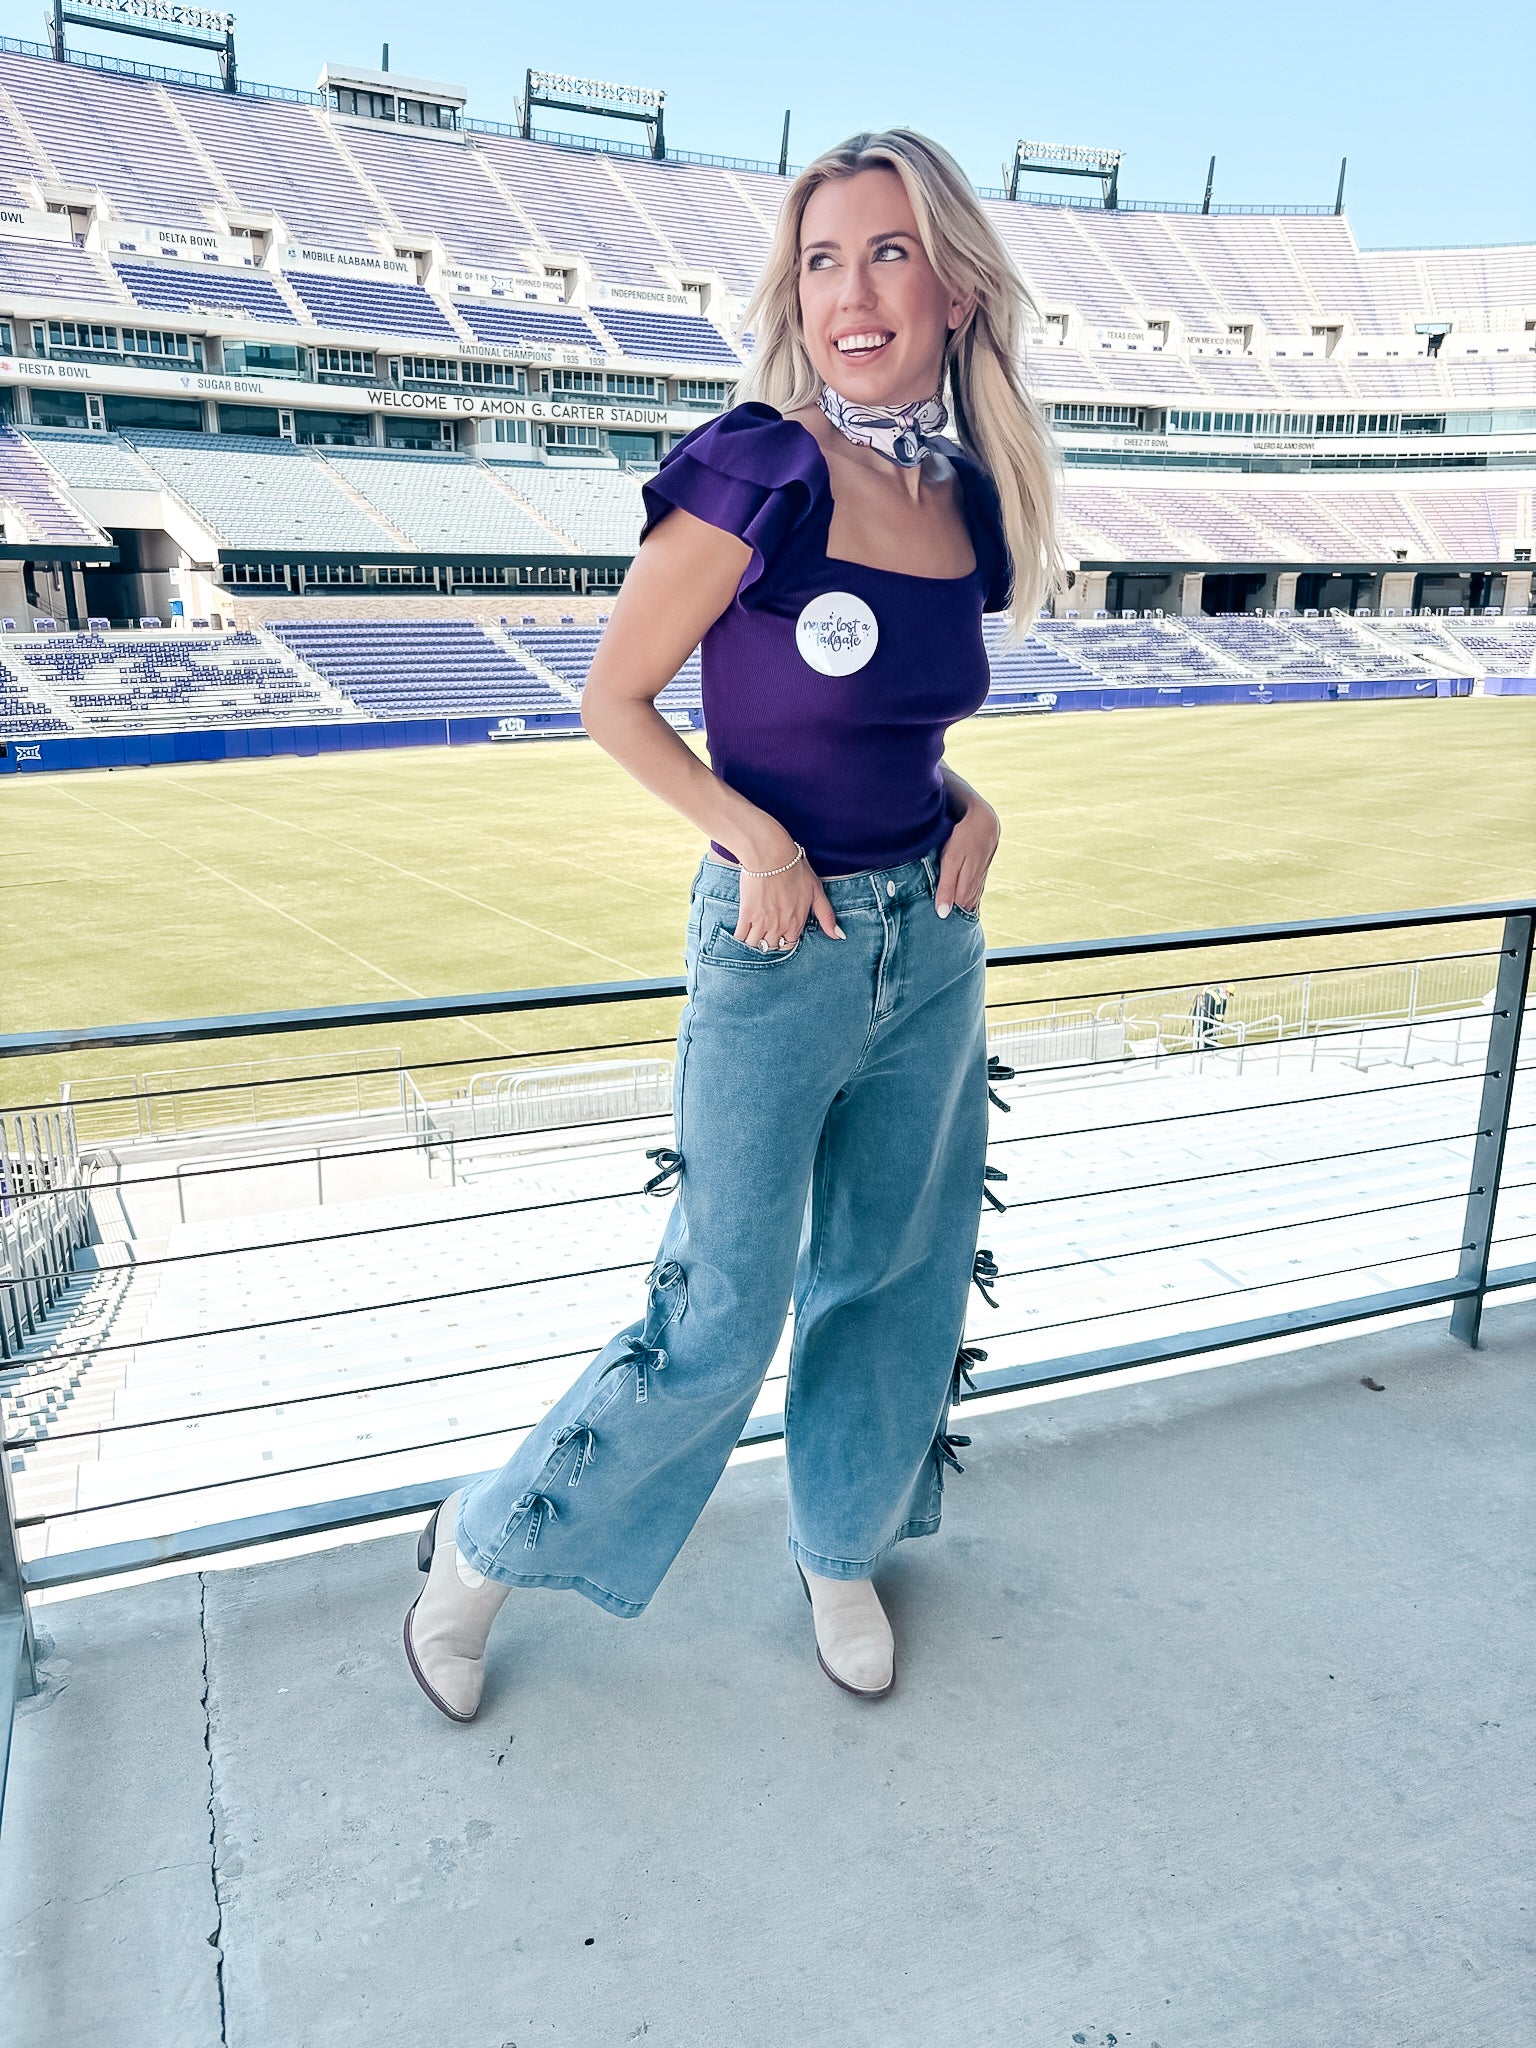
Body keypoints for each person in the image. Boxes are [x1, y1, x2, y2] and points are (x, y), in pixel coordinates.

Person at [403, 127, 1061, 1720]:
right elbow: (616, 700)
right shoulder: (761, 465)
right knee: (717, 1311)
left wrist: (967, 801)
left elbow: (885, 727)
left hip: (931, 944)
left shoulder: (968, 501)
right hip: (779, 947)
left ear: (958, 290)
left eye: (891, 253)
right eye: (824, 259)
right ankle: (479, 1552)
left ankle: (840, 1550)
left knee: (894, 1276)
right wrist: (752, 836)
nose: (854, 291)